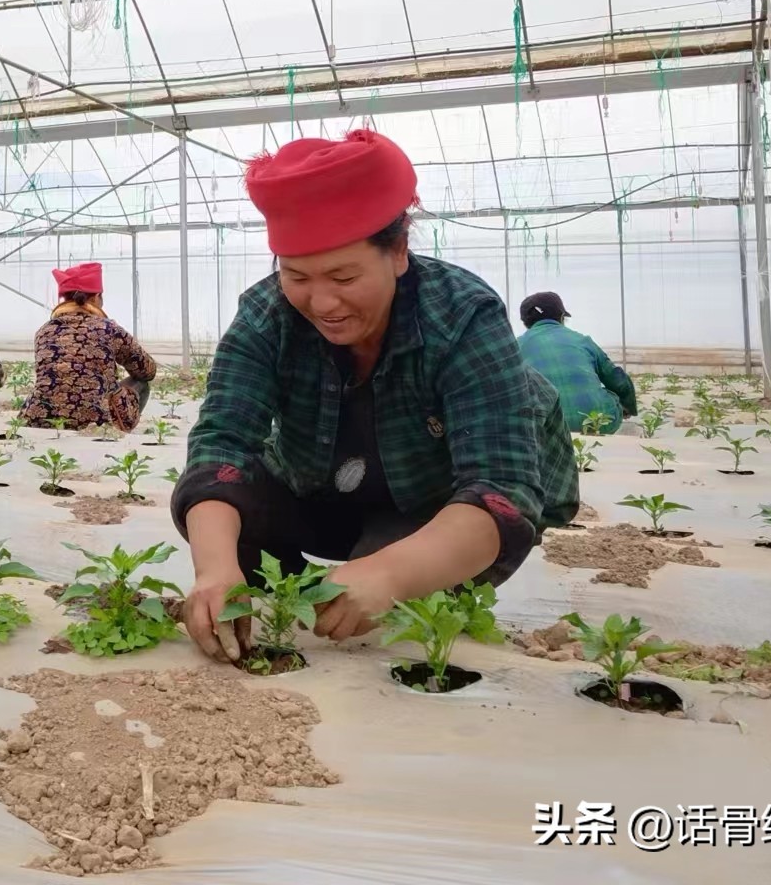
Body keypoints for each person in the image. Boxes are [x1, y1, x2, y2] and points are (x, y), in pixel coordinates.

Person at [172, 131, 577, 663]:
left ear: (399, 252)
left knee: (389, 614)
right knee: (220, 509)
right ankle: (291, 594)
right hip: (322, 491)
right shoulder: (268, 316)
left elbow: (500, 488)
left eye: (344, 275)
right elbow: (223, 441)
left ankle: (368, 575)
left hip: (433, 507)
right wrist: (215, 569)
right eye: (296, 275)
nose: (321, 302)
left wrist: (386, 574)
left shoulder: (462, 314)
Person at [18, 262, 156, 431]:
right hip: (98, 420)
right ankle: (119, 429)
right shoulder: (108, 329)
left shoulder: (44, 331)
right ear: (96, 297)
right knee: (141, 382)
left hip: (41, 417)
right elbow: (147, 371)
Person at [516, 291, 638, 434]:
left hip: (545, 428)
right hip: (600, 421)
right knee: (609, 396)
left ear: (525, 323)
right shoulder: (582, 340)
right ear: (562, 317)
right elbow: (616, 378)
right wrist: (629, 406)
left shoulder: (516, 346)